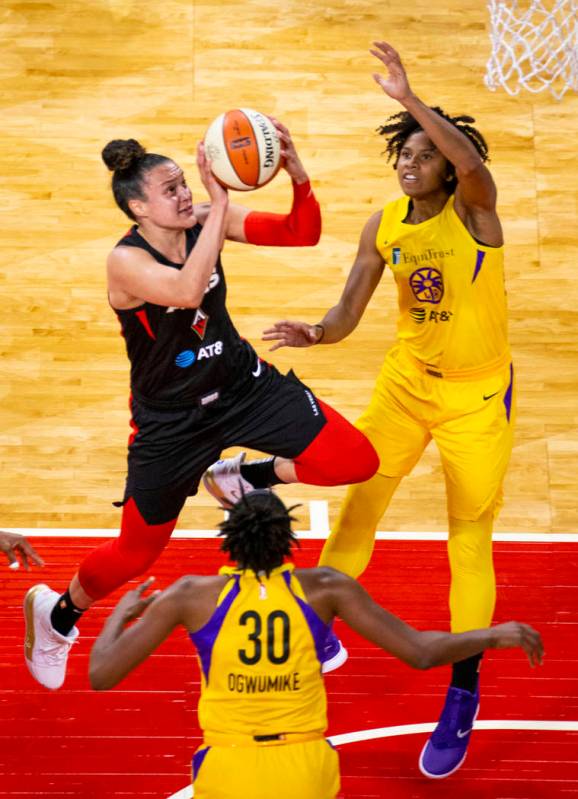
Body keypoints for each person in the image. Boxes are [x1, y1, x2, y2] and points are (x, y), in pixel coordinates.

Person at [24, 120, 378, 692]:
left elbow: (301, 234)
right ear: (138, 208)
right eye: (171, 190)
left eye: (184, 183)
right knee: (136, 553)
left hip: (243, 387)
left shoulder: (204, 220)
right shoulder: (126, 263)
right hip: (172, 421)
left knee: (354, 460)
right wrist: (219, 208)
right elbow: (187, 289)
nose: (186, 194)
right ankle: (56, 615)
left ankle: (244, 474)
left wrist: (299, 177)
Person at [262, 42, 515, 779]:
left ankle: (463, 688)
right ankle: (313, 637)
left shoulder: (476, 213)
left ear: (444, 162)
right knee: (358, 506)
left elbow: (472, 165)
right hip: (407, 383)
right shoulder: (385, 224)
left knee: (466, 541)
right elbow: (347, 311)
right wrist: (318, 330)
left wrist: (410, 100)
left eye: (421, 152)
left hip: (476, 397)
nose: (409, 160)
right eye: (402, 152)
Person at [89, 490, 543, 799]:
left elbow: (101, 674)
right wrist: (491, 634)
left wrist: (119, 616)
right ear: (288, 541)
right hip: (305, 766)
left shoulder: (189, 595)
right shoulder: (326, 588)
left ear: (229, 543)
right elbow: (421, 652)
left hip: (230, 766)